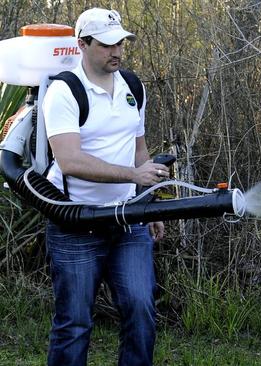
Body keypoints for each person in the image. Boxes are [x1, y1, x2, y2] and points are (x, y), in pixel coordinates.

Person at [41, 7, 169, 366]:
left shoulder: (132, 86)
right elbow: (71, 161)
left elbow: (138, 147)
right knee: (74, 323)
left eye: (121, 43)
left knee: (141, 310)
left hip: (128, 222)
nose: (117, 52)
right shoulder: (65, 92)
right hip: (76, 225)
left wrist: (149, 202)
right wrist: (133, 176)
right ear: (82, 44)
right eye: (107, 44)